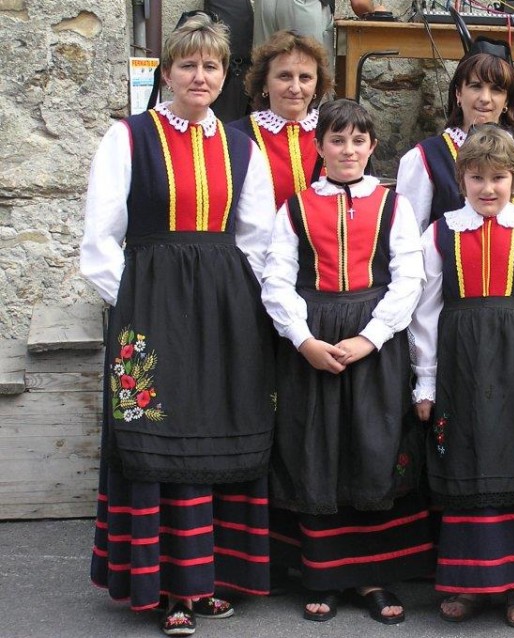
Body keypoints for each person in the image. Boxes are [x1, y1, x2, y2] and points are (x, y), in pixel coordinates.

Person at [80, 13, 277, 636]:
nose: (200, 75)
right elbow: (99, 241)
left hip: (225, 312)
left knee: (221, 430)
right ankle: (166, 587)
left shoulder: (243, 147)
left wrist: (251, 309)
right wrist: (137, 303)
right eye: (188, 65)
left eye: (212, 66)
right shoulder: (129, 138)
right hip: (150, 309)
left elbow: (259, 240)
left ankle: (213, 579)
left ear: (225, 75)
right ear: (167, 73)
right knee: (157, 442)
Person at [261, 99, 434, 626]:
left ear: (372, 146)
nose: (348, 150)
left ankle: (373, 576)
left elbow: (409, 279)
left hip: (372, 347)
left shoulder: (393, 206)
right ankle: (322, 574)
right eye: (337, 140)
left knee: (372, 448)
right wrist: (303, 339)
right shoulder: (294, 208)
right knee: (317, 451)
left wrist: (371, 337)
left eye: (358, 141)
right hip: (312, 343)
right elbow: (276, 279)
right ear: (319, 147)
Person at [409, 126, 514, 627]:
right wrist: (426, 381)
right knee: (465, 460)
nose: (487, 188)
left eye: (498, 178)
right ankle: (468, 583)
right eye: (477, 177)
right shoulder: (439, 233)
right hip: (461, 367)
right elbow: (424, 312)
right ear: (461, 180)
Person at [395, 47, 514, 232]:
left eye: (496, 89)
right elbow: (408, 240)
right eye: (476, 86)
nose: (485, 98)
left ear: (507, 101)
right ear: (458, 94)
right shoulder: (424, 159)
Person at [230, 29, 332, 210]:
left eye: (305, 77)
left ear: (317, 84)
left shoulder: (335, 132)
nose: (295, 87)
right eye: (284, 76)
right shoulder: (236, 137)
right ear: (264, 83)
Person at [253, 0, 385, 78]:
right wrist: (375, 10)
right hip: (303, 6)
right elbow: (360, 4)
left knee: (266, 77)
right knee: (312, 77)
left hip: (264, 5)